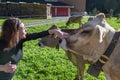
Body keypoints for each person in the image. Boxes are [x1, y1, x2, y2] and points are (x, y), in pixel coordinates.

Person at [0, 17, 69, 80]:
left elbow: (37, 35)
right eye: (23, 28)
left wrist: (54, 31)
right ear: (15, 31)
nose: (26, 30)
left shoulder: (19, 40)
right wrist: (3, 68)